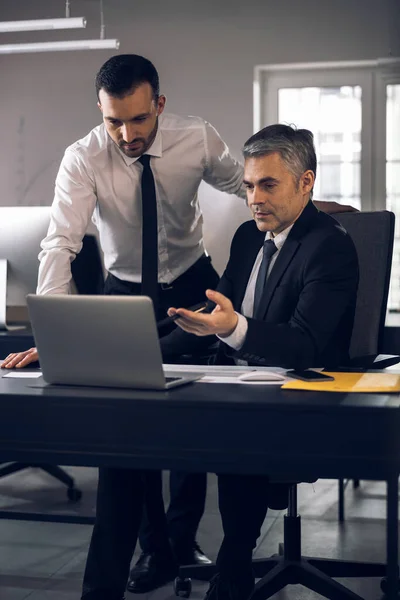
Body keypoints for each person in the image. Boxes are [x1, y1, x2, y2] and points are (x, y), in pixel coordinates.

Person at [0, 54, 355, 599]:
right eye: (113, 121)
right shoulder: (83, 158)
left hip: (193, 284)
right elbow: (60, 243)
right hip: (125, 290)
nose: (125, 134)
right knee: (126, 428)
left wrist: (303, 210)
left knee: (186, 417)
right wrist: (56, 337)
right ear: (100, 111)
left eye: (138, 120)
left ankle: (182, 541)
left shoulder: (198, 139)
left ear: (158, 106)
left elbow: (245, 182)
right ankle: (149, 554)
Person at [162, 123, 359, 600]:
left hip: (305, 391)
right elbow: (218, 313)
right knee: (156, 419)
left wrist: (233, 328)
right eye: (249, 185)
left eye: (268, 185)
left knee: (235, 426)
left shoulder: (329, 246)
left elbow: (305, 345)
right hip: (241, 381)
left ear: (305, 182)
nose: (254, 198)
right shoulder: (250, 237)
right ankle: (168, 548)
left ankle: (233, 562)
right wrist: (134, 348)